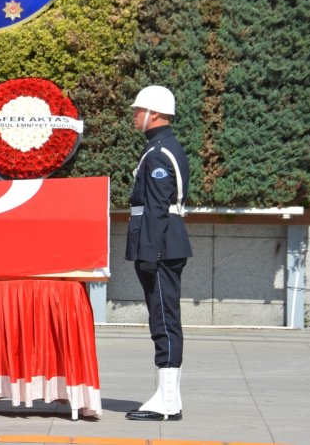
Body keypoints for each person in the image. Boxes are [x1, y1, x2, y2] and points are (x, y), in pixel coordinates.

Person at [124, 85, 192, 422]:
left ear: (155, 114)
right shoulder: (164, 148)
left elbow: (156, 209)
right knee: (164, 318)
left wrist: (148, 254)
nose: (135, 114)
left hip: (161, 246)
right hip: (164, 244)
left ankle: (166, 402)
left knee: (163, 320)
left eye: (139, 110)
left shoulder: (158, 154)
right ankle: (170, 398)